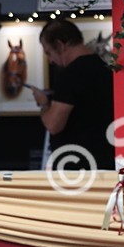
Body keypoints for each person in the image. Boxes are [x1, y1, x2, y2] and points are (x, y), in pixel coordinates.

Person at [32, 20, 115, 169]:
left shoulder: (71, 74)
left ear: (60, 45)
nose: (50, 60)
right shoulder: (105, 69)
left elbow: (54, 124)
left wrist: (44, 104)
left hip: (76, 168)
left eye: (48, 52)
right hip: (106, 162)